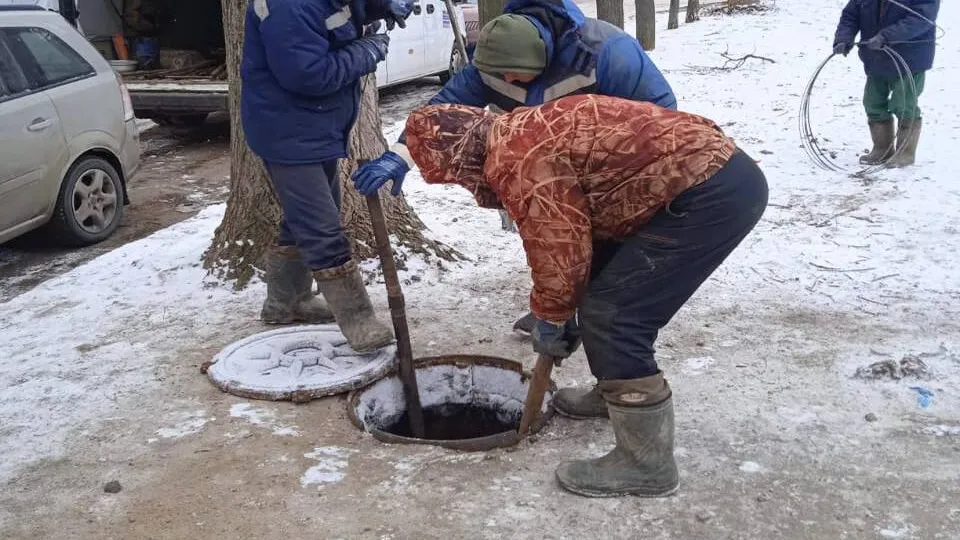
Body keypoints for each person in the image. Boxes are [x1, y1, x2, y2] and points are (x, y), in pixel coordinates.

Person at [401, 94, 768, 497]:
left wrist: (552, 314)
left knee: (614, 316)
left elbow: (558, 244)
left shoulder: (517, 159)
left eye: (454, 176)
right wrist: (563, 306)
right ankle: (614, 390)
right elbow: (580, 230)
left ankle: (647, 465)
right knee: (602, 286)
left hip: (706, 195)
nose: (464, 183)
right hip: (702, 179)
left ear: (458, 157)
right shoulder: (516, 130)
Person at [354, 0, 676, 335]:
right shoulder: (493, 62)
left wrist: (614, 166)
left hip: (610, 161)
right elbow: (439, 115)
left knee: (605, 233)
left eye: (514, 74)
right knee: (549, 229)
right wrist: (400, 155)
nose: (505, 80)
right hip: (546, 166)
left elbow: (660, 114)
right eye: (499, 74)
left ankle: (603, 313)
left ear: (540, 59)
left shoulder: (606, 52)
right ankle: (558, 309)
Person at [240, 0, 413, 351]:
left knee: (309, 215)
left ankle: (287, 302)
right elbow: (308, 74)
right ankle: (358, 319)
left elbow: (340, 16)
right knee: (321, 227)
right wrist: (366, 51)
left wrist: (379, 7)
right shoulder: (288, 6)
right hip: (287, 129)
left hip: (312, 125)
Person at [833, 0, 940, 167]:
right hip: (876, 57)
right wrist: (844, 38)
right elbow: (851, 14)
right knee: (873, 102)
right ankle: (882, 149)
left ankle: (905, 153)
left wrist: (886, 36)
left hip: (910, 59)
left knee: (904, 103)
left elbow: (921, 19)